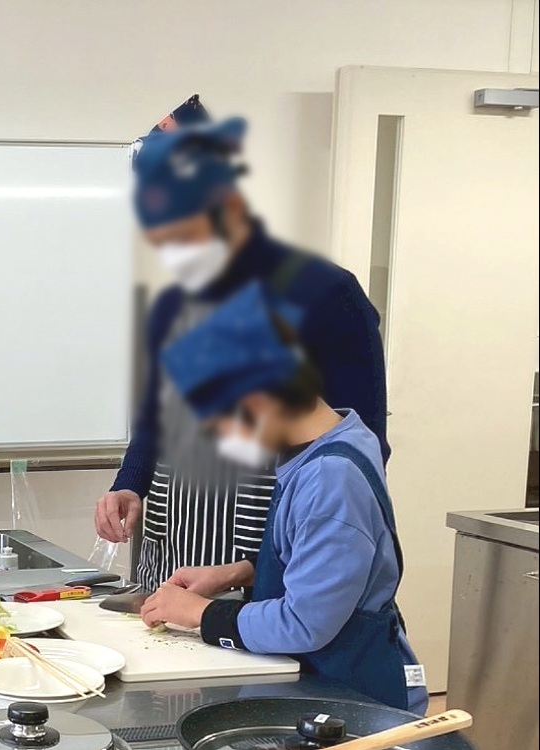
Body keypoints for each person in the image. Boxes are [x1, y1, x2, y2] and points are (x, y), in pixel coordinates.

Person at [95, 95, 389, 591]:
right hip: (167, 555)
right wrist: (130, 482)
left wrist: (258, 565)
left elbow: (363, 449)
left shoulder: (326, 294)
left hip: (261, 567)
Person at [137, 282, 427, 714]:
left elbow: (305, 622)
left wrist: (201, 614)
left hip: (351, 698)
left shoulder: (331, 478)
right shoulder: (330, 441)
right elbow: (322, 561)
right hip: (317, 682)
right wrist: (237, 573)